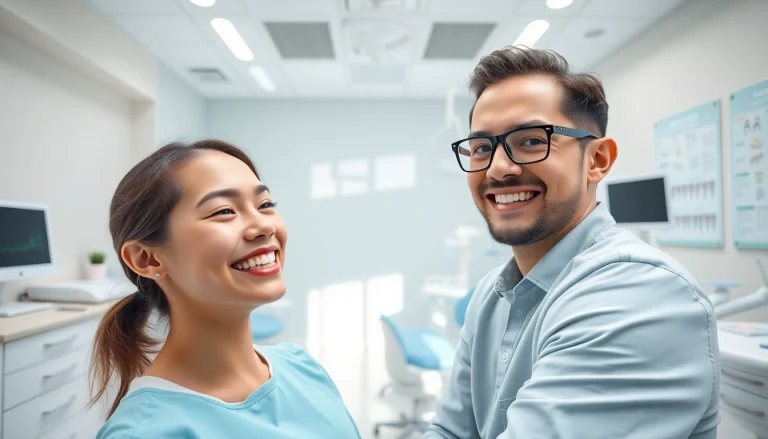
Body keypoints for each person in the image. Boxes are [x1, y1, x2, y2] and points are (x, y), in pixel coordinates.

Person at [424, 47, 720, 439]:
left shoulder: (641, 294)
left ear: (597, 160)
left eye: (530, 140)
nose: (497, 168)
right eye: (481, 148)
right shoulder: (490, 296)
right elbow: (450, 431)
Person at [90, 140, 361, 438]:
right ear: (147, 258)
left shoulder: (304, 367)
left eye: (265, 205)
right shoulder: (144, 432)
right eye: (224, 211)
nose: (263, 226)